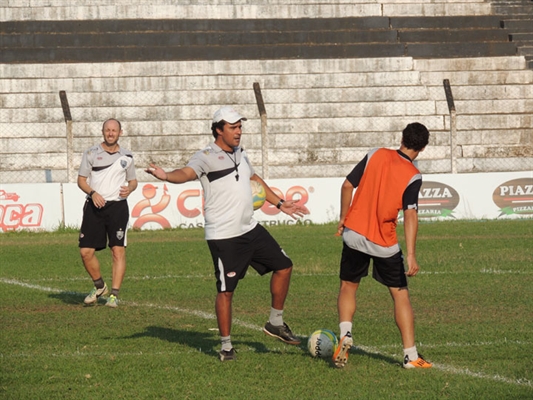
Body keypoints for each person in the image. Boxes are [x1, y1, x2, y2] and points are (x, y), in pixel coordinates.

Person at [145, 106, 309, 361]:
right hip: (224, 235)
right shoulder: (206, 156)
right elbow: (186, 173)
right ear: (218, 130)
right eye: (233, 127)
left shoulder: (241, 154)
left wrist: (279, 203)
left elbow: (255, 179)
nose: (239, 131)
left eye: (240, 127)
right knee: (226, 291)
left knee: (284, 266)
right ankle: (225, 345)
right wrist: (166, 175)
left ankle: (275, 322)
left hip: (250, 228)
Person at [333, 122, 433, 369]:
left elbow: (347, 185)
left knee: (348, 286)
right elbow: (410, 214)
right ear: (422, 148)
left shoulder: (375, 153)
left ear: (402, 138)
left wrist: (344, 218)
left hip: (354, 233)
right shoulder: (413, 175)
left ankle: (345, 334)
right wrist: (410, 254)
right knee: (400, 295)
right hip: (384, 242)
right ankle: (411, 356)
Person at [78, 118, 138, 308]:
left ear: (120, 132)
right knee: (86, 252)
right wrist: (93, 193)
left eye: (114, 130)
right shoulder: (91, 153)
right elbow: (81, 180)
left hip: (118, 208)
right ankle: (99, 286)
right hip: (94, 207)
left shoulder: (127, 156)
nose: (111, 133)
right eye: (107, 130)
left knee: (117, 250)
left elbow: (133, 181)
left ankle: (114, 295)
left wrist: (130, 189)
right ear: (103, 132)